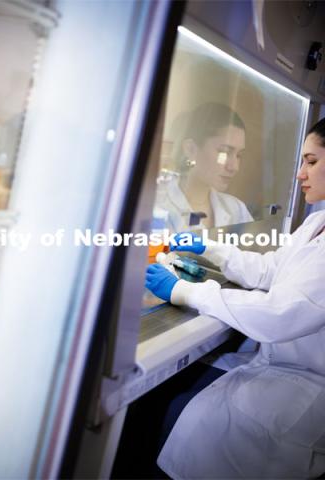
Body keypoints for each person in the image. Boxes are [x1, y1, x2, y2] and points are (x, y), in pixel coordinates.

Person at [145, 117, 325, 478]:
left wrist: (184, 290)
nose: (300, 174)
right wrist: (212, 247)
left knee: (180, 414)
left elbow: (279, 314)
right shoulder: (315, 223)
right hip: (280, 365)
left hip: (302, 389)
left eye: (311, 161)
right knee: (178, 402)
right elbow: (272, 269)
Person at [156, 102, 253, 230]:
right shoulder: (157, 204)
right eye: (224, 152)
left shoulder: (237, 210)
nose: (234, 167)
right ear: (191, 149)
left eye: (239, 155)